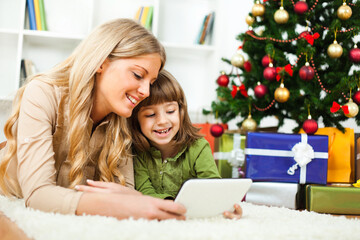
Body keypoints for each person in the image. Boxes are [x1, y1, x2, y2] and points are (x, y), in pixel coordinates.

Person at [0, 18, 186, 220]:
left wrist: (142, 202)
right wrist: (118, 204)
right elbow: (37, 195)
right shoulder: (43, 93)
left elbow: (125, 191)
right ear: (101, 63)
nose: (146, 92)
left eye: (151, 82)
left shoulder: (121, 118)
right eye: (138, 75)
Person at [127, 70, 243, 219]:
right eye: (150, 114)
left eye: (170, 111)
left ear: (181, 112)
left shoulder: (199, 147)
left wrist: (225, 207)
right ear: (136, 120)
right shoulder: (137, 151)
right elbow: (144, 191)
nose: (162, 121)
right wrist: (174, 207)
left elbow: (212, 186)